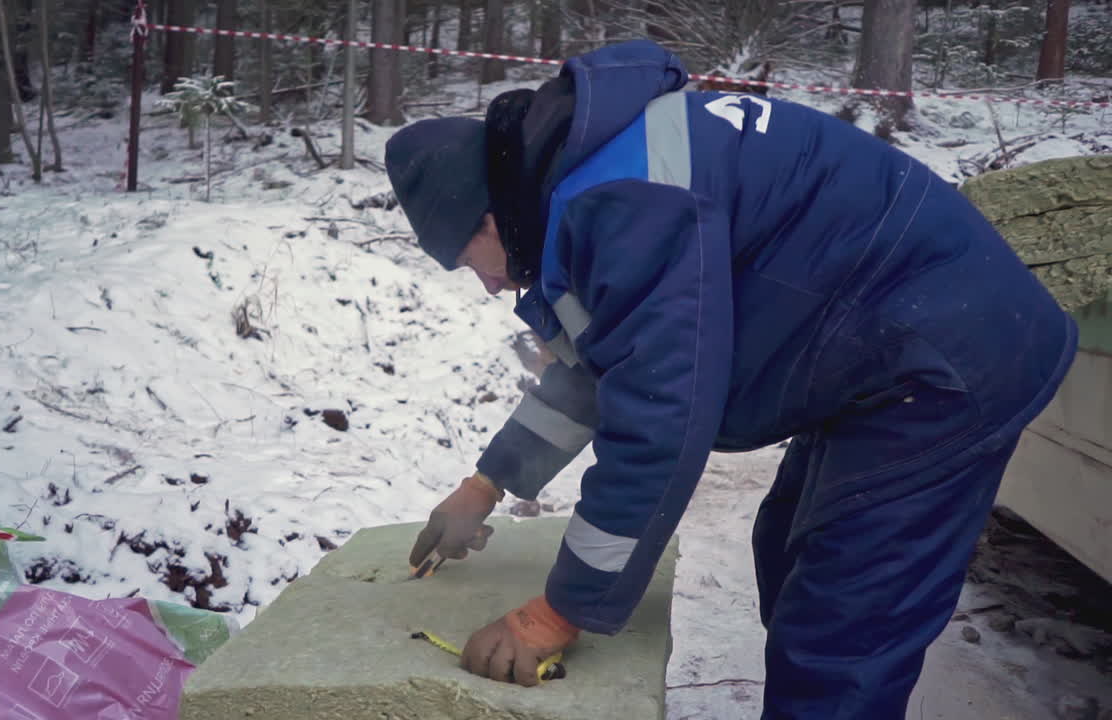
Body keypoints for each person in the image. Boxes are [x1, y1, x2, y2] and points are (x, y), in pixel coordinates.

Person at [383, 39, 1077, 718]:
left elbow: (658, 423)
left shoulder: (625, 202)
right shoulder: (590, 178)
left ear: (487, 213)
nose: (486, 284)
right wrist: (486, 483)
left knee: (841, 624)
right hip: (885, 347)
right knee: (783, 545)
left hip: (949, 358)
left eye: (469, 260)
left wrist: (556, 613)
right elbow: (605, 371)